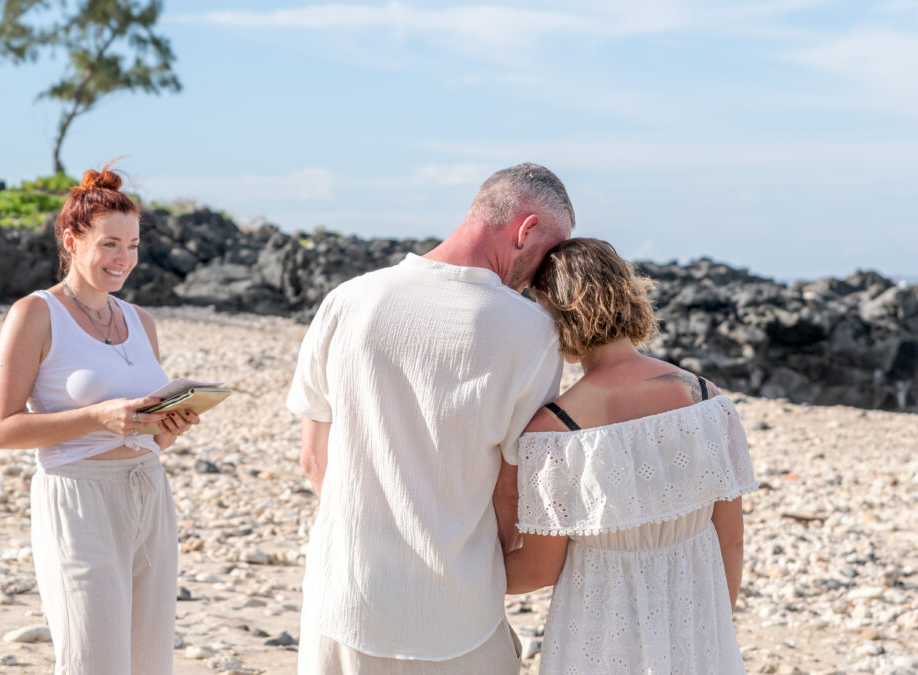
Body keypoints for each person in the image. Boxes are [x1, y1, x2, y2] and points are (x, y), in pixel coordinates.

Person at [287, 163, 574, 674]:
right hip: (457, 613)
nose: (547, 271)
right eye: (552, 250)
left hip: (346, 595)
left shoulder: (350, 300)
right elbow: (511, 490)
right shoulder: (531, 333)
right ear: (526, 230)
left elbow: (314, 459)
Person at [0, 165, 199, 675]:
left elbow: (140, 431)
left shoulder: (141, 321)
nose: (123, 258)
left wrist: (165, 429)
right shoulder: (35, 314)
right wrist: (98, 416)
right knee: (92, 662)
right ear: (72, 240)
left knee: (148, 662)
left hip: (150, 491)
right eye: (109, 244)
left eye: (132, 245)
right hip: (78, 500)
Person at [505, 238, 757, 674]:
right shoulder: (706, 400)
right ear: (628, 292)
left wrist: (459, 574)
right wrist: (714, 633)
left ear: (552, 315)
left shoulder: (552, 432)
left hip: (598, 636)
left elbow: (539, 571)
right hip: (698, 630)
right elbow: (730, 540)